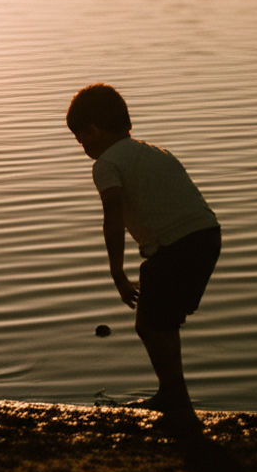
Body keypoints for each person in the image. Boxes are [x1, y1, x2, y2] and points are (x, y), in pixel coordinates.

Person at [66, 83, 220, 420]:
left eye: (81, 140)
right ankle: (174, 393)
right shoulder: (155, 151)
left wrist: (117, 272)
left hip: (175, 245)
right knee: (161, 321)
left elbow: (113, 218)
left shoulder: (106, 164)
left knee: (150, 324)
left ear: (94, 130)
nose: (83, 149)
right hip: (207, 236)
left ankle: (173, 396)